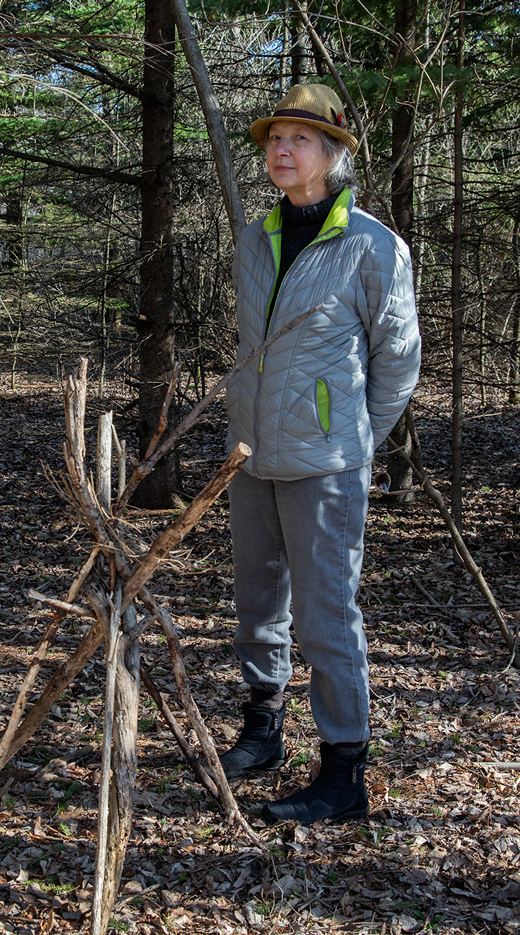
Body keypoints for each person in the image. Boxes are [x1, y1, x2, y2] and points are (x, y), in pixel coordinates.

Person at [221, 82, 421, 825]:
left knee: (327, 618)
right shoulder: (254, 238)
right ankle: (263, 729)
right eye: (275, 137)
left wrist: (352, 437)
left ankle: (343, 770)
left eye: (300, 139)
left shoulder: (371, 244)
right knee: (256, 605)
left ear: (332, 154)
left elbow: (399, 358)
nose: (282, 149)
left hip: (327, 467)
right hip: (250, 456)